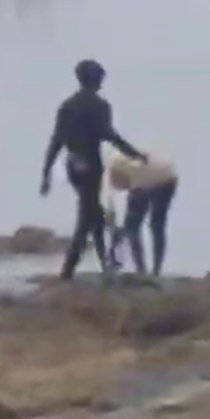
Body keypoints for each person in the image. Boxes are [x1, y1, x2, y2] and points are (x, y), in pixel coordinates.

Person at [39, 60, 142, 280]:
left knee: (95, 214)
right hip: (92, 167)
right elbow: (111, 136)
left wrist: (46, 173)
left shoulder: (67, 106)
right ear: (96, 79)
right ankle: (68, 271)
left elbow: (56, 142)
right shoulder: (100, 107)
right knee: (87, 219)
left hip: (74, 166)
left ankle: (105, 264)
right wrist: (135, 155)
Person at [108, 150, 179, 278]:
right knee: (157, 224)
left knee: (133, 226)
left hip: (151, 176)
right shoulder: (118, 161)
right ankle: (156, 271)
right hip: (169, 174)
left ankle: (141, 270)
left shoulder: (116, 173)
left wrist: (118, 227)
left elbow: (115, 202)